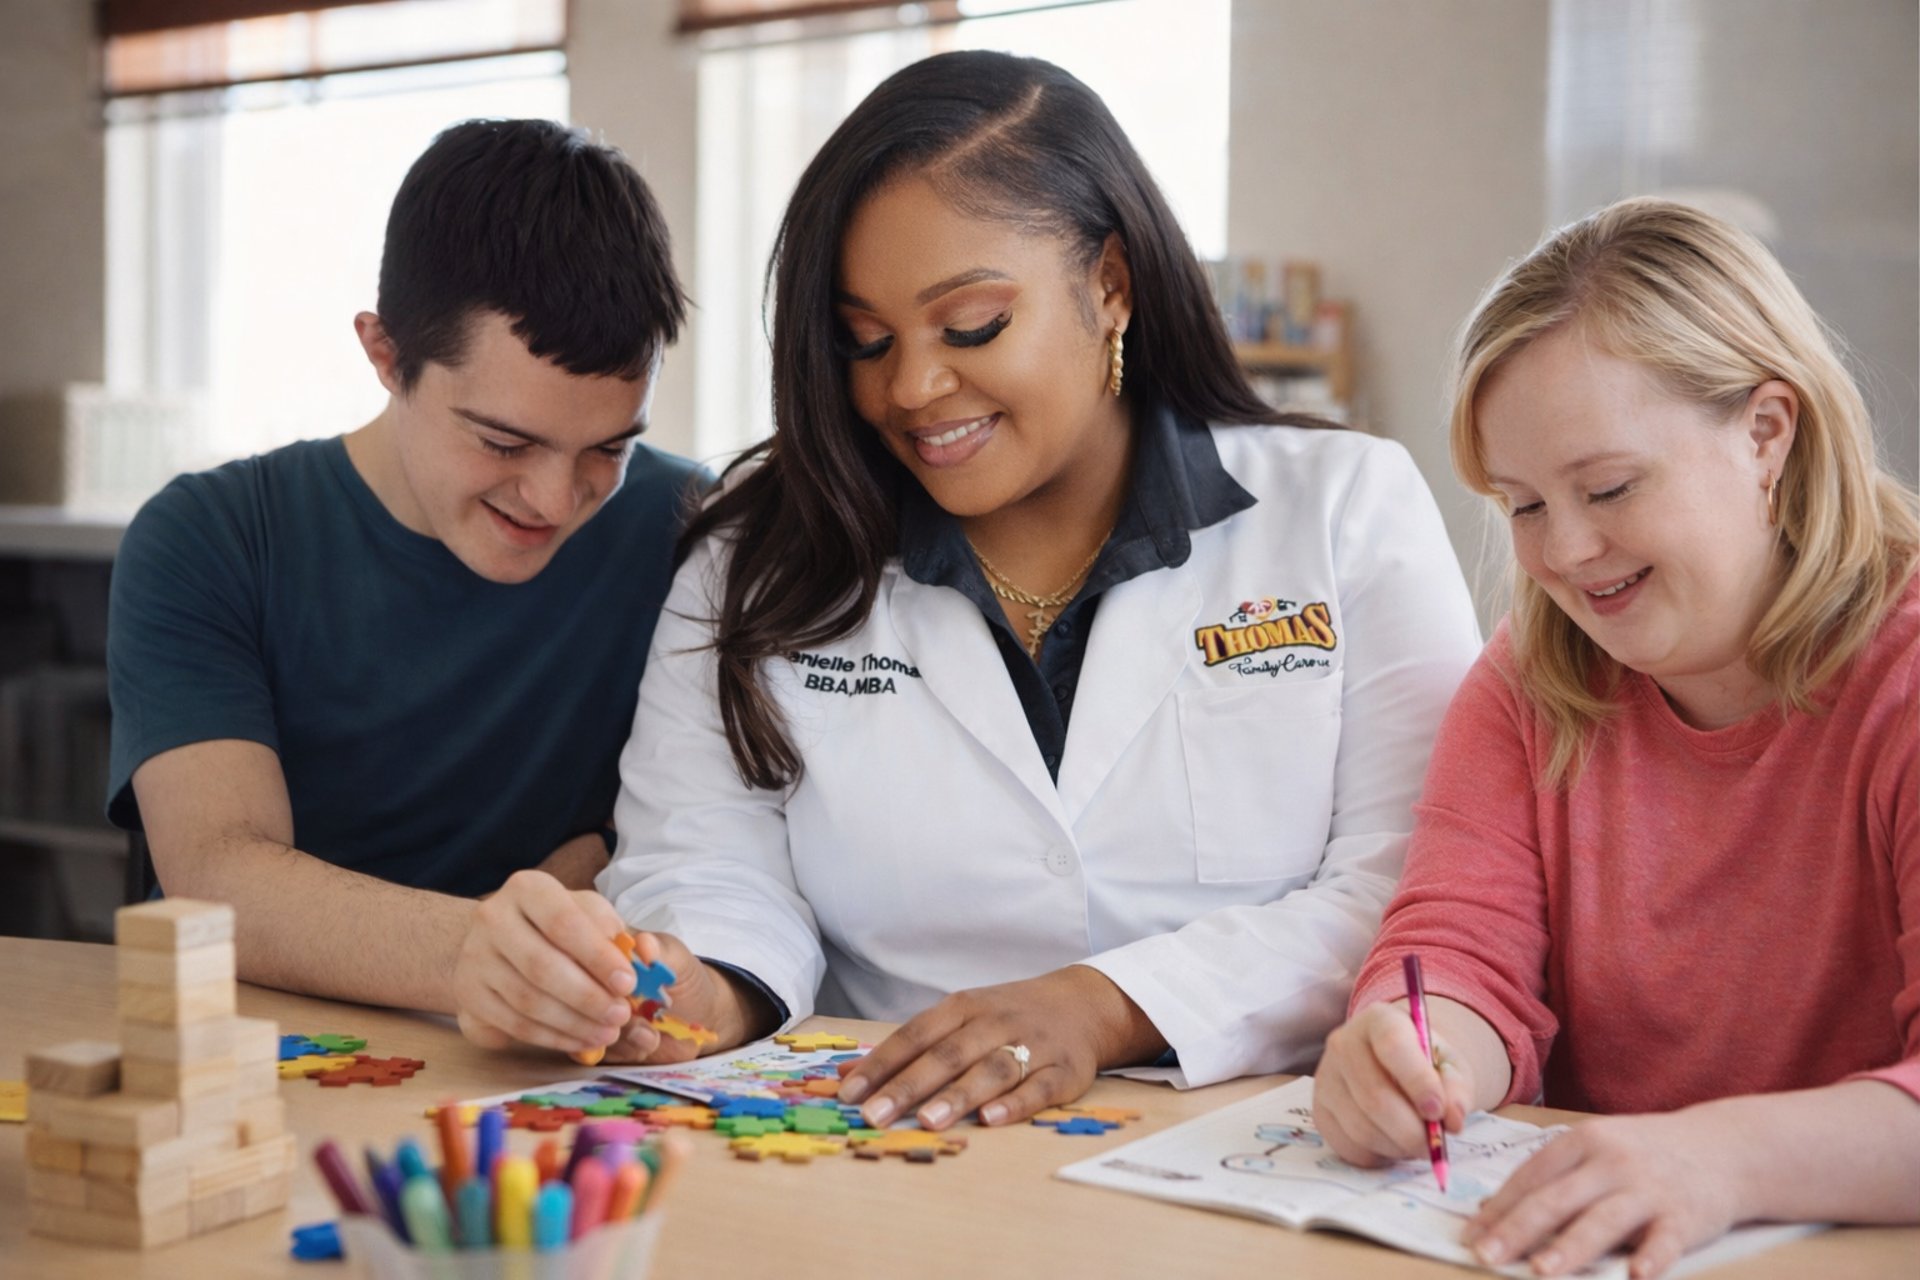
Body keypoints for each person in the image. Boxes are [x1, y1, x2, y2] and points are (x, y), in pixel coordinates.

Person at [591, 51, 1481, 1125]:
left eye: (971, 325)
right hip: (889, 1147)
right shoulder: (756, 556)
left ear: (1111, 285)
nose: (912, 386)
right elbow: (704, 859)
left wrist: (1104, 1007)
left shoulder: (1342, 508)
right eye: (864, 341)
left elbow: (1414, 884)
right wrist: (695, 988)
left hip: (1255, 1144)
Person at [1312, 198, 1920, 1278]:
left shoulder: (1901, 679)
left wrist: (1720, 1159)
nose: (1566, 552)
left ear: (1766, 433)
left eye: (1608, 487)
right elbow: (1460, 952)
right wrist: (1417, 1051)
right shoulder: (1530, 682)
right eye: (1523, 505)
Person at [107, 119, 705, 1060]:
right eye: (504, 441)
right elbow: (217, 876)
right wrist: (485, 950)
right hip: (248, 1052)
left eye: (608, 448)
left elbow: (694, 823)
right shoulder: (212, 536)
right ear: (385, 353)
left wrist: (586, 874)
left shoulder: (690, 528)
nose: (556, 499)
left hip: (533, 1064)